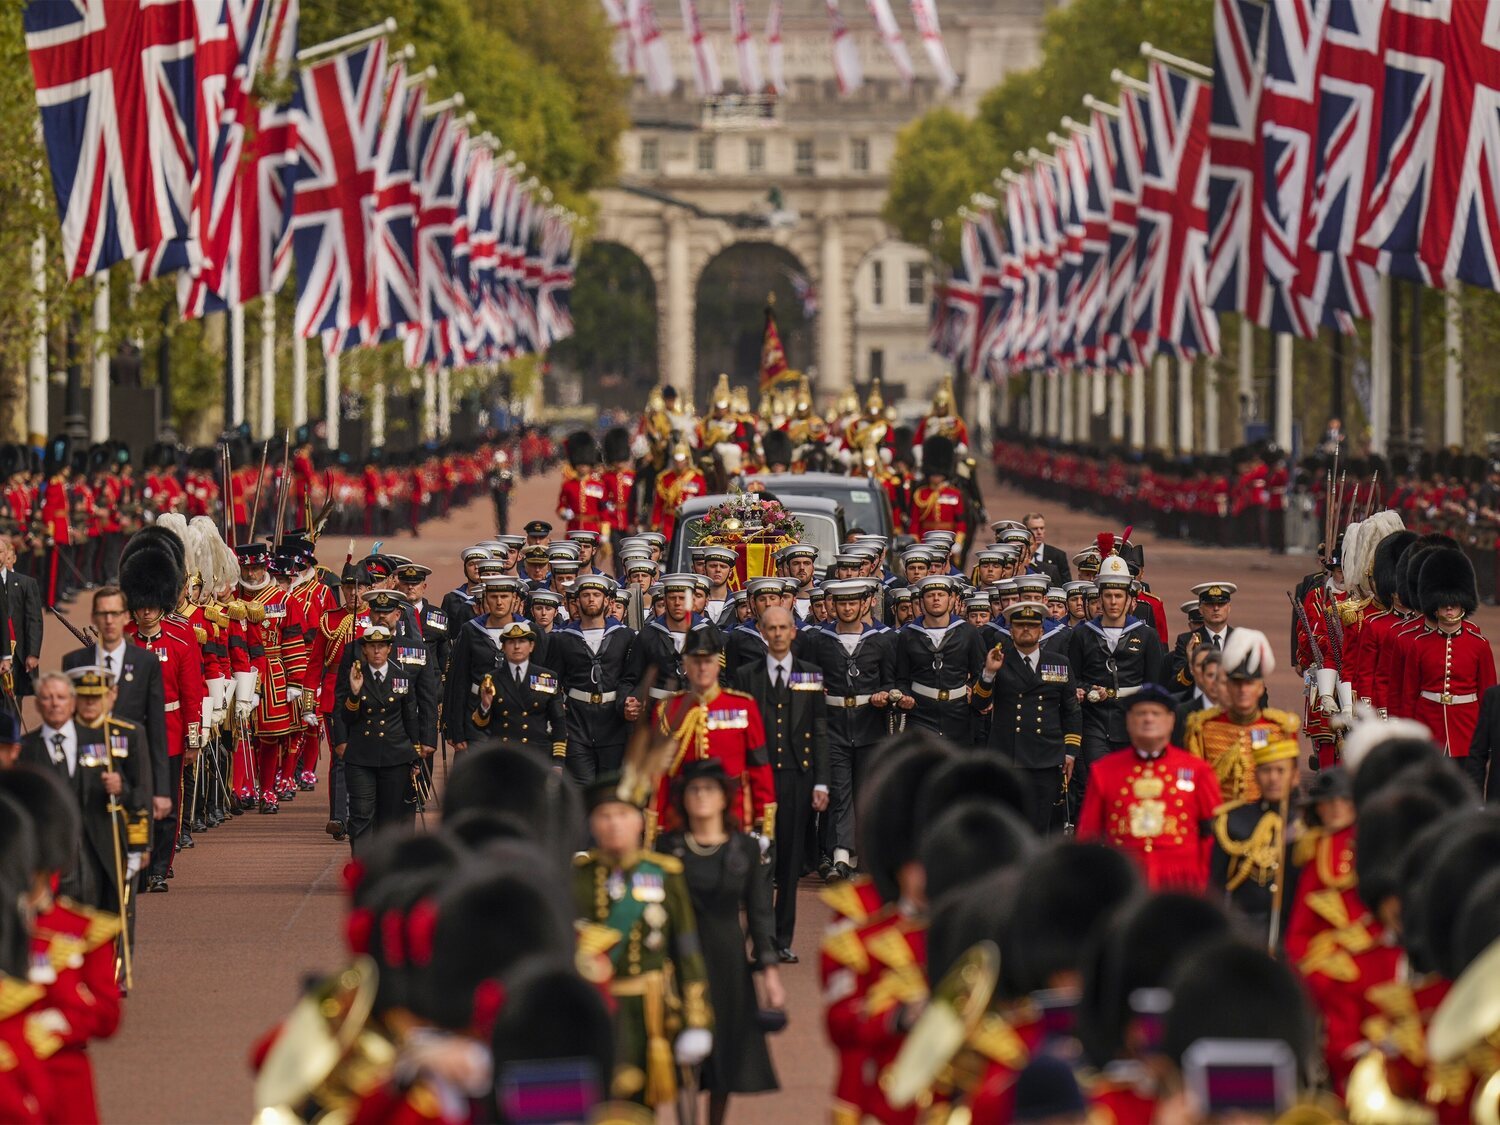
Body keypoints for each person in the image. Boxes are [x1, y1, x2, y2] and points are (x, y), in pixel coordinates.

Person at [573, 772, 713, 1107]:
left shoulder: (665, 874)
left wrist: (696, 1020)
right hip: (594, 1011)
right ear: (592, 825)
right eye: (604, 816)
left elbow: (687, 950)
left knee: (641, 1106)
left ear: (640, 822)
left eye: (622, 815)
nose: (614, 824)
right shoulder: (577, 878)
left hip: (648, 1013)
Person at [657, 760, 781, 1122]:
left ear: (724, 797)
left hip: (729, 963)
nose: (701, 797)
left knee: (725, 1056)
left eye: (709, 789)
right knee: (682, 1055)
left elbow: (759, 915)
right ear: (683, 798)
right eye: (694, 790)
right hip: (679, 959)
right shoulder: (669, 848)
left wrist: (770, 973)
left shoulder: (744, 848)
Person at [732, 606, 828, 962]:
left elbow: (819, 728)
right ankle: (759, 935)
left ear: (793, 632)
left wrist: (822, 782)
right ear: (760, 630)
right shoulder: (746, 675)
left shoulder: (811, 674)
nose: (776, 634)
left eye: (783, 627)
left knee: (789, 862)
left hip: (797, 776)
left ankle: (782, 939)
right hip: (758, 777)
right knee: (759, 857)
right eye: (770, 628)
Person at [1076, 684, 1223, 891]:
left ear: (1171, 720)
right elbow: (1088, 836)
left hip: (1181, 883)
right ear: (1128, 721)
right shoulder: (1104, 771)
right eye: (1141, 713)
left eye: (1156, 713)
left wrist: (1203, 881)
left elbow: (1212, 834)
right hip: (1125, 883)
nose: (1148, 719)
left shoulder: (1198, 770)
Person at [650, 625, 776, 846]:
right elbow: (659, 776)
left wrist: (762, 823)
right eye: (695, 662)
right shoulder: (667, 710)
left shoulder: (743, 706)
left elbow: (759, 766)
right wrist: (657, 825)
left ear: (718, 663)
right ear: (686, 665)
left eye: (708, 661)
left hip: (734, 815)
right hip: (681, 816)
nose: (702, 668)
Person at [20, 673, 133, 912]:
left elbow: (133, 791)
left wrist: (120, 788)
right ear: (38, 704)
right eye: (47, 698)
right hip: (46, 859)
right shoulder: (25, 750)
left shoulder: (102, 740)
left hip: (94, 852)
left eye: (61, 697)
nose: (54, 703)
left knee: (98, 925)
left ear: (72, 702)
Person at [62, 586, 168, 831]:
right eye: (102, 614)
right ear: (93, 618)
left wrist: (161, 790)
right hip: (88, 772)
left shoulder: (146, 662)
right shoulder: (75, 662)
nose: (109, 621)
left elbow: (156, 727)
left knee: (135, 855)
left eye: (114, 613)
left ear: (126, 617)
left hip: (134, 773)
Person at [974, 600, 1082, 834]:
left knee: (1040, 825)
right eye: (1020, 625)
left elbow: (1071, 710)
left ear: (1041, 631)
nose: (1026, 630)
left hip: (1046, 757)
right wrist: (989, 673)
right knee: (1007, 826)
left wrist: (1070, 751)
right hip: (1008, 756)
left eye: (1032, 626)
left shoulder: (1059, 663)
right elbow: (979, 704)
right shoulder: (999, 660)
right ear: (1011, 630)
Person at [330, 624, 419, 854]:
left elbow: (410, 719)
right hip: (361, 755)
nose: (377, 651)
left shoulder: (402, 677)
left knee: (389, 818)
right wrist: (355, 693)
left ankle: (384, 869)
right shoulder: (356, 675)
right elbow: (346, 715)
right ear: (365, 650)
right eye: (372, 646)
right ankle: (361, 868)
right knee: (361, 815)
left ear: (389, 649)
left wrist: (415, 756)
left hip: (395, 755)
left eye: (381, 646)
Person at [1183, 629, 1299, 804]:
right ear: (1227, 686)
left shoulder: (1280, 728)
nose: (1243, 690)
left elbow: (1290, 786)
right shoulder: (1202, 727)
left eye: (1250, 683)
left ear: (1260, 688)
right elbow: (1192, 783)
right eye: (1236, 683)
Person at [548, 574, 642, 783]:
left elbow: (633, 676)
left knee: (609, 785)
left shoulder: (625, 636)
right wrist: (555, 708)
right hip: (576, 721)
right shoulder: (562, 638)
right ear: (576, 601)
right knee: (581, 787)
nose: (591, 599)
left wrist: (631, 701)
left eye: (597, 595)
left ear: (607, 601)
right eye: (586, 595)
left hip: (614, 721)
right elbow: (552, 679)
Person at [1210, 735, 1302, 942]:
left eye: (1280, 771)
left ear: (1295, 776)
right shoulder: (1233, 821)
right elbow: (1215, 884)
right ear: (1256, 775)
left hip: (1294, 930)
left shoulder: (1307, 823)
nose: (1273, 779)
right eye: (1266, 770)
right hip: (1247, 929)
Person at [894, 574, 988, 747]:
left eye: (941, 595)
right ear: (921, 602)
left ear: (951, 599)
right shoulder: (907, 635)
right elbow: (901, 677)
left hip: (959, 714)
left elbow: (979, 672)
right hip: (920, 713)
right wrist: (904, 696)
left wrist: (971, 691)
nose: (936, 599)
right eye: (930, 595)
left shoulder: (968, 632)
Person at [469, 621, 567, 761]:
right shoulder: (491, 679)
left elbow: (558, 722)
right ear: (503, 647)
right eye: (511, 642)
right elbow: (478, 724)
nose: (517, 647)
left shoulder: (547, 678)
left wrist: (558, 761)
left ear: (531, 646)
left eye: (522, 641)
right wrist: (485, 705)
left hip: (538, 757)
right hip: (503, 755)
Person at [0, 539, 42, 702]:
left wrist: (33, 653)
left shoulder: (25, 583)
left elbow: (34, 620)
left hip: (17, 654)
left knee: (13, 703)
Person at [1023, 512, 1071, 587]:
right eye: (1035, 529)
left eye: (1041, 528)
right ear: (1025, 530)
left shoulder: (1058, 555)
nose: (1039, 532)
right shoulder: (1021, 555)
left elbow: (1066, 585)